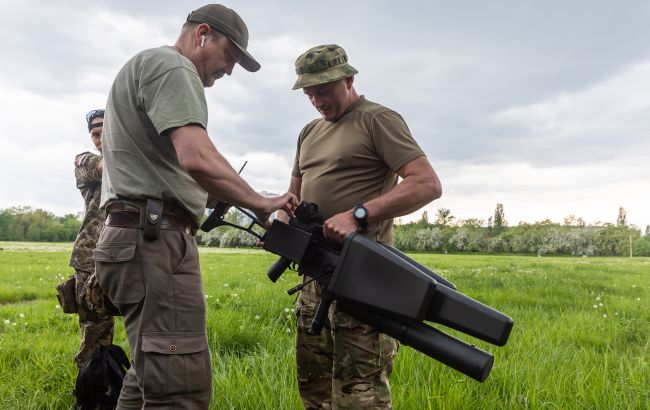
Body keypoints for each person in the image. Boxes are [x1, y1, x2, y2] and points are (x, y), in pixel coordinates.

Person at [95, 4, 296, 409]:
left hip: (131, 237)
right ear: (203, 34)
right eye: (231, 56)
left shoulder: (149, 65)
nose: (229, 70)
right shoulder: (174, 68)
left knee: (147, 373)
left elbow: (186, 165)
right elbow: (197, 157)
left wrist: (241, 199)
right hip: (152, 241)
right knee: (179, 390)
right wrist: (260, 201)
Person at [286, 44, 442, 409]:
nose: (316, 101)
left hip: (364, 282)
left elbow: (426, 183)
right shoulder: (308, 132)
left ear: (349, 79)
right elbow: (292, 195)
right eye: (309, 93)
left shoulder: (378, 119)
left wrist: (358, 215)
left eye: (323, 90)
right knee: (315, 393)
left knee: (360, 399)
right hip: (314, 283)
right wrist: (280, 222)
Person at [69, 108, 114, 370]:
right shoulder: (85, 162)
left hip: (126, 251)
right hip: (90, 256)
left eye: (105, 132)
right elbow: (107, 166)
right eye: (95, 134)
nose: (99, 139)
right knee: (95, 329)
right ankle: (91, 391)